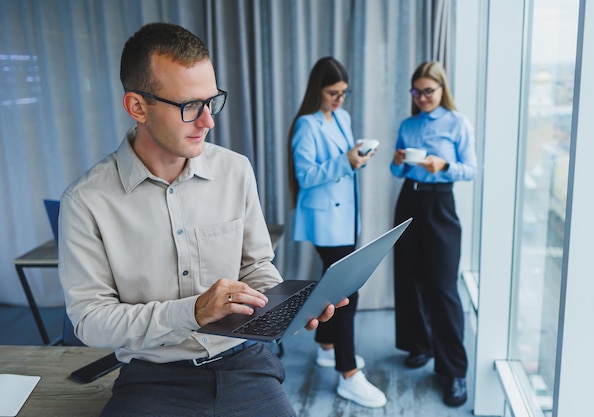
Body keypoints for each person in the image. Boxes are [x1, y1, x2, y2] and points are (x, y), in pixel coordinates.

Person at [58, 22, 345, 417]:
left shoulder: (235, 170)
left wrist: (289, 307)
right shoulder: (86, 200)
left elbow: (257, 266)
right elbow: (90, 321)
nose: (208, 121)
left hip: (244, 363)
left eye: (211, 101)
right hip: (151, 377)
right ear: (137, 107)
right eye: (189, 106)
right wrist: (192, 312)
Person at [287, 57, 386, 408]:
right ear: (318, 91)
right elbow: (306, 176)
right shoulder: (306, 125)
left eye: (343, 93)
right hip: (325, 222)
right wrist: (347, 161)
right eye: (333, 93)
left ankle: (327, 347)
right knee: (348, 292)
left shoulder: (341, 117)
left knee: (340, 289)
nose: (339, 100)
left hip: (347, 218)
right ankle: (348, 374)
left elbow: (345, 158)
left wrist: (357, 155)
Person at [389, 61, 477, 407]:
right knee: (410, 279)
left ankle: (454, 371)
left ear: (442, 90)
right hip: (409, 199)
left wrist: (444, 166)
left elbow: (470, 169)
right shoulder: (408, 124)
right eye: (417, 91)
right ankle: (419, 345)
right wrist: (398, 160)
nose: (423, 97)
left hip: (441, 204)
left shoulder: (458, 123)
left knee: (443, 288)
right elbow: (397, 171)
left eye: (429, 91)